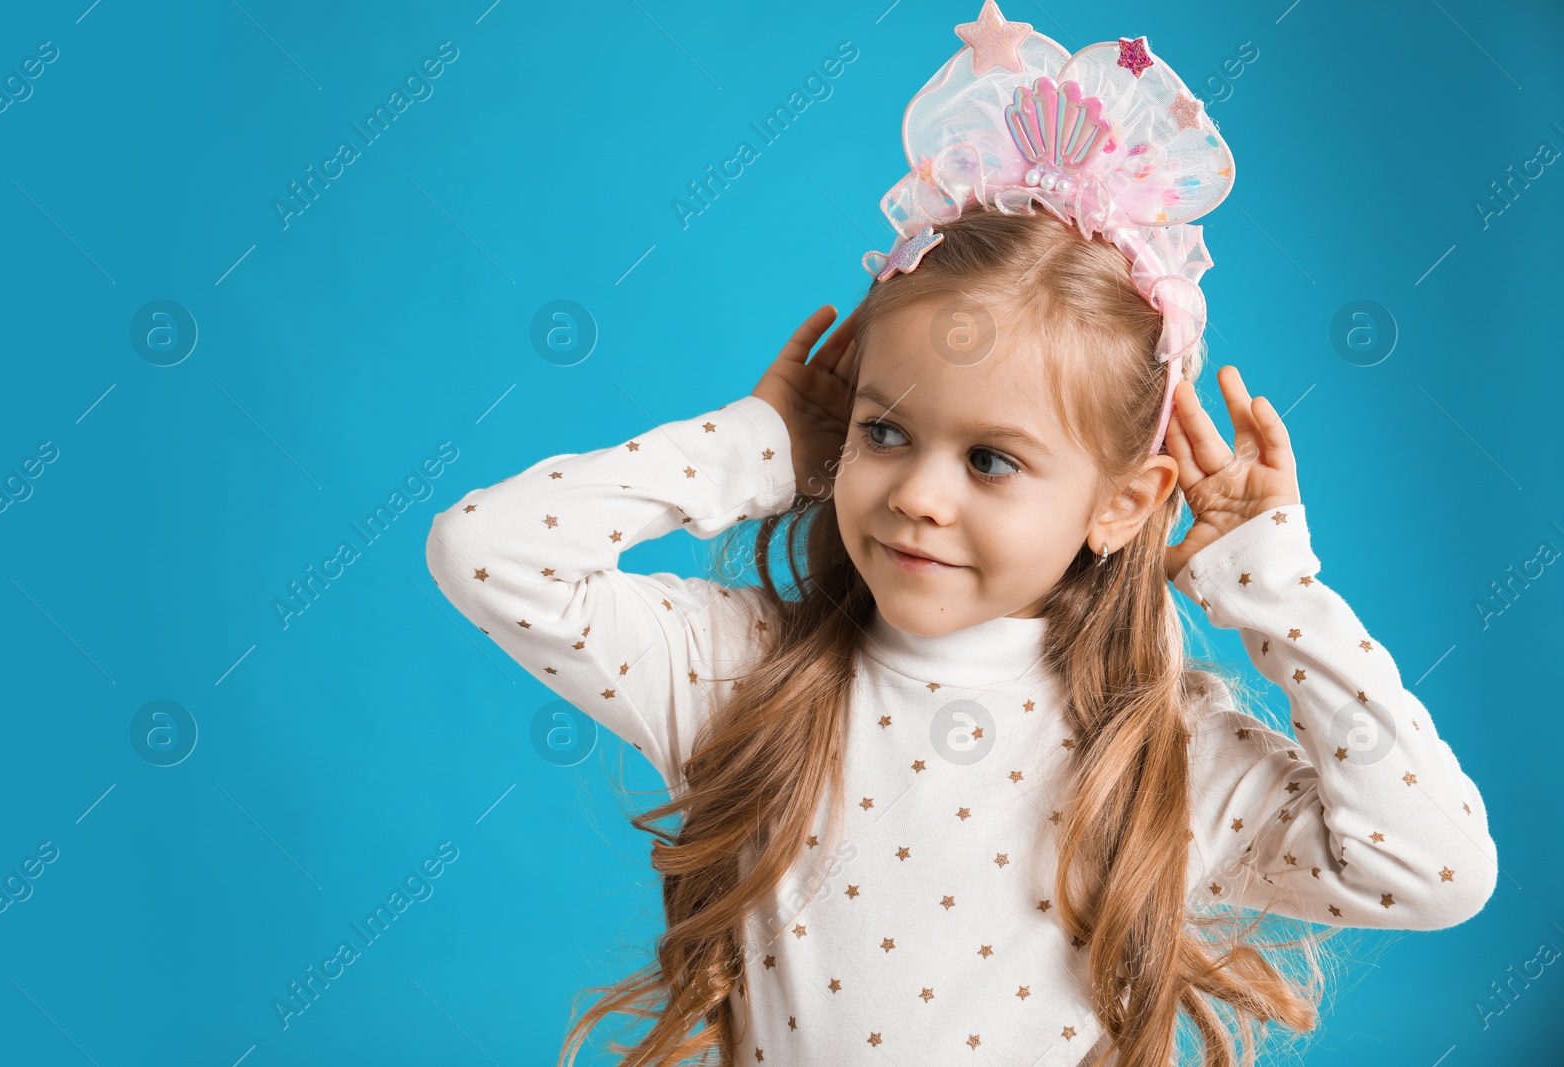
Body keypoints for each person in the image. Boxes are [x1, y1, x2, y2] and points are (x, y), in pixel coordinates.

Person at [425, 5, 1497, 1064]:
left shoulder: (1156, 759)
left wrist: (1271, 587)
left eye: (991, 459)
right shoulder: (741, 671)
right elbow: (489, 550)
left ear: (1122, 502)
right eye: (884, 431)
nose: (918, 495)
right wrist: (756, 446)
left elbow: (1434, 865)